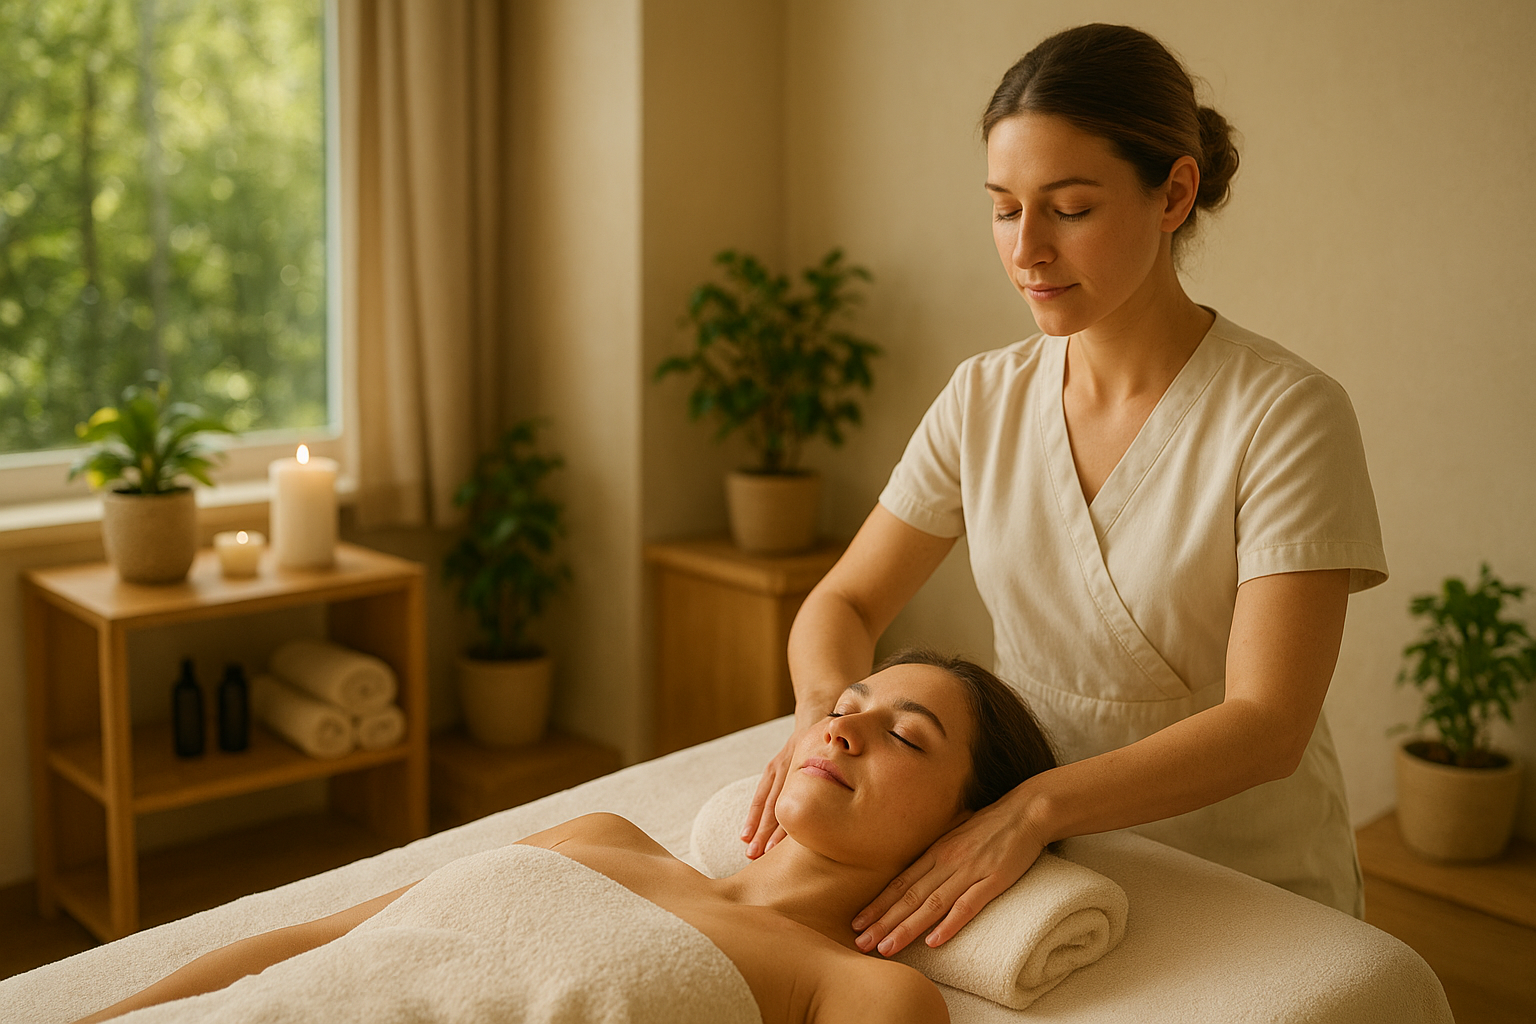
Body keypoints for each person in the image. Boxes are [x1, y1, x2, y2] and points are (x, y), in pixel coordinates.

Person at [742, 22, 1388, 960]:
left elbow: (1266, 727)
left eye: (1070, 209)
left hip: (1246, 874)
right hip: (1042, 877)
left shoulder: (1286, 414)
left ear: (1174, 192)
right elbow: (843, 599)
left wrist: (1033, 806)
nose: (1027, 250)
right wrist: (820, 718)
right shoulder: (984, 397)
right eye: (1005, 209)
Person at [74, 650, 1057, 1024]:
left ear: (969, 822)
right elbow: (309, 944)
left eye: (905, 736)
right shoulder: (606, 832)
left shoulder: (862, 991)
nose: (842, 727)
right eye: (847, 705)